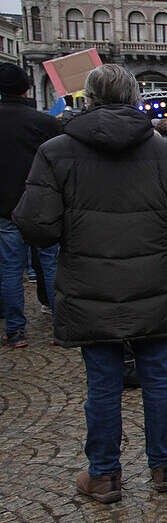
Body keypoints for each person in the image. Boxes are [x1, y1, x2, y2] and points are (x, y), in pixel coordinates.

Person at [13, 64, 167, 502]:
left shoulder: (55, 152)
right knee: (157, 377)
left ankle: (104, 474)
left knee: (103, 382)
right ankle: (164, 467)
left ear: (89, 98)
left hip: (90, 284)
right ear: (134, 98)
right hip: (153, 282)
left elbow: (37, 226)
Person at [0, 64, 61, 348]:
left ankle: (15, 330)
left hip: (4, 208)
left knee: (10, 268)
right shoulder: (43, 123)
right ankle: (60, 326)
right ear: (26, 89)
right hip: (41, 203)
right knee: (51, 264)